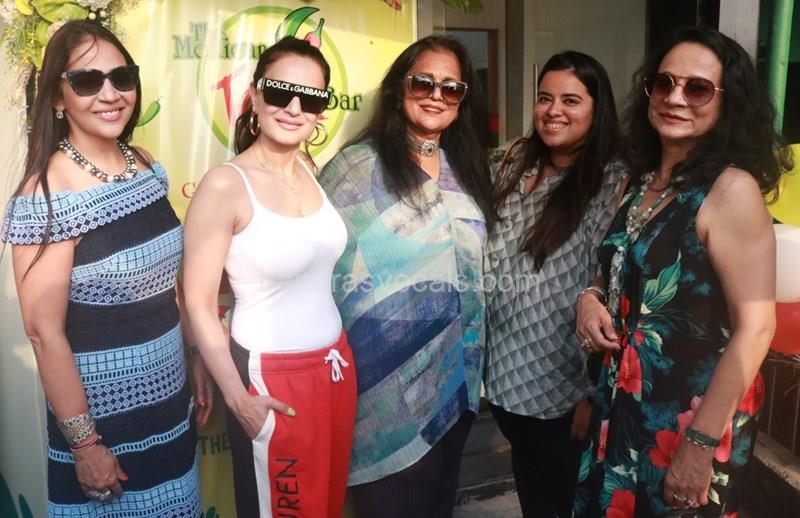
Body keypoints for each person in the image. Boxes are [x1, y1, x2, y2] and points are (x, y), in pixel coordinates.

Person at [572, 26, 793, 517]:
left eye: (697, 88)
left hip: (685, 425)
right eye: (664, 82)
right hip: (622, 413)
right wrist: (589, 297)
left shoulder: (731, 191)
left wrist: (698, 445)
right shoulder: (640, 181)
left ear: (728, 103)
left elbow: (757, 328)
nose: (675, 98)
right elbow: (617, 273)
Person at [1, 20, 211, 516]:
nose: (110, 94)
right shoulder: (46, 196)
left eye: (122, 77)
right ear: (58, 97)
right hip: (105, 436)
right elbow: (43, 333)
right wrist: (85, 446)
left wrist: (196, 355)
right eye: (88, 81)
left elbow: (168, 285)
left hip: (170, 411)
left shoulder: (145, 164)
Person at [318, 35, 495, 517]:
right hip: (382, 391)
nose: (437, 95)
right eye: (424, 82)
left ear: (462, 101)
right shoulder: (356, 167)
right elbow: (312, 264)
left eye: (451, 88)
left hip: (456, 381)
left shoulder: (468, 169)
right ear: (400, 88)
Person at [182, 36, 356, 518]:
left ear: (321, 111)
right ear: (255, 97)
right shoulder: (225, 185)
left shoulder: (307, 168)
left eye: (311, 98)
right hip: (272, 379)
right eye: (280, 92)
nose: (294, 108)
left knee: (326, 509)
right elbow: (197, 302)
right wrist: (238, 399)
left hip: (334, 367)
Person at [485, 51, 627, 518]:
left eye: (571, 100)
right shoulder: (514, 163)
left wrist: (592, 392)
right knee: (533, 494)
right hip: (504, 378)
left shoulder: (610, 180)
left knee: (560, 503)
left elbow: (611, 282)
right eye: (545, 98)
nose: (553, 111)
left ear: (597, 109)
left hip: (562, 391)